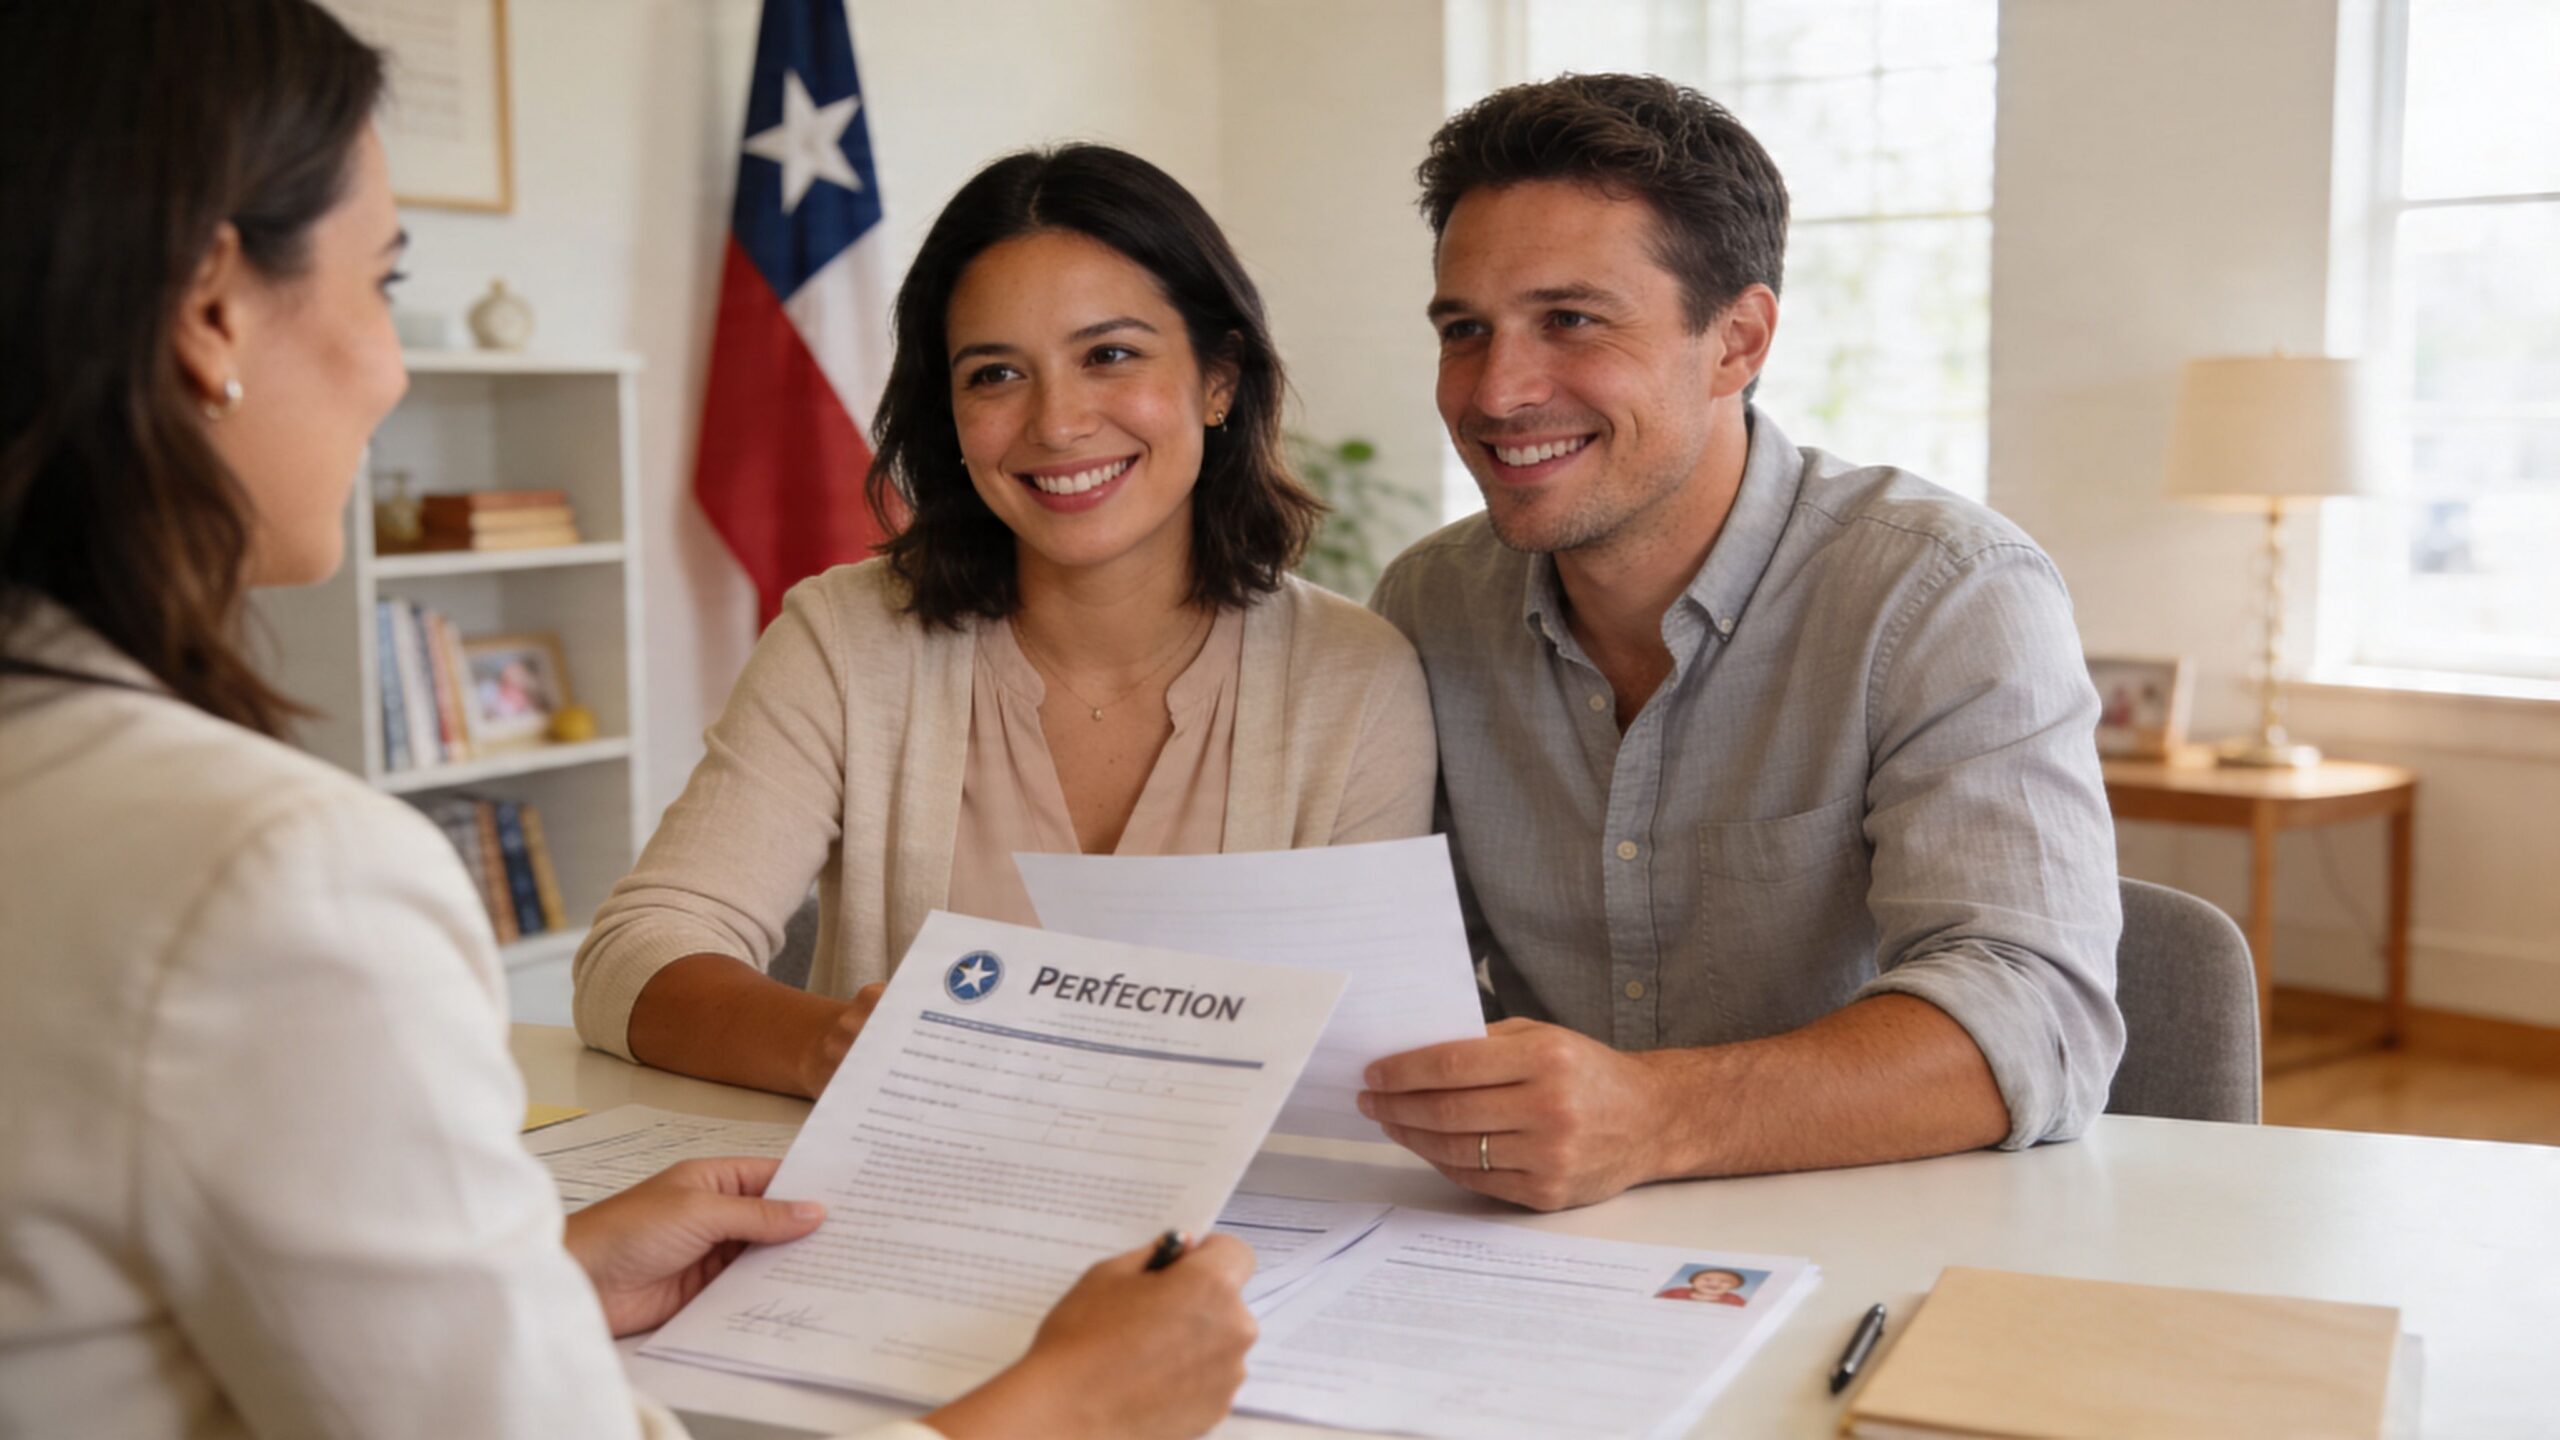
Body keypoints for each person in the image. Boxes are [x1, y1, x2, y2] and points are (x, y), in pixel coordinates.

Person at [0, 4, 1254, 1437]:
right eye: (382, 278)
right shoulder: (275, 877)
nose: (392, 364)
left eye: (1109, 357)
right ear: (216, 310)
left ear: (1216, 373)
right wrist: (1072, 1406)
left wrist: (535, 1274)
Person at [1361, 74, 2124, 1212]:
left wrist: (1655, 1117)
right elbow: (1392, 976)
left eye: (1570, 320)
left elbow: (2036, 1016)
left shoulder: (1942, 593)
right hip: (1543, 1243)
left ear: (1737, 341)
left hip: (1882, 1220)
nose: (1498, 390)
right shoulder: (1428, 602)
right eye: (1464, 330)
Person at [573, 145, 1436, 1098]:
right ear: (947, 409)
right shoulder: (847, 642)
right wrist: (838, 1048)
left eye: (1109, 355)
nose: (1056, 424)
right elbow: (634, 959)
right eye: (995, 374)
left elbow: (1368, 1061)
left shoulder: (1358, 679)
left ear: (1220, 378)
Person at [1657, 1269, 1750, 1306]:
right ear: (1693, 1281)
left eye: (1725, 1281)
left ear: (1735, 1287)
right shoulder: (1676, 1292)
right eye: (1707, 1279)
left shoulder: (1734, 1299)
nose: (1715, 1284)